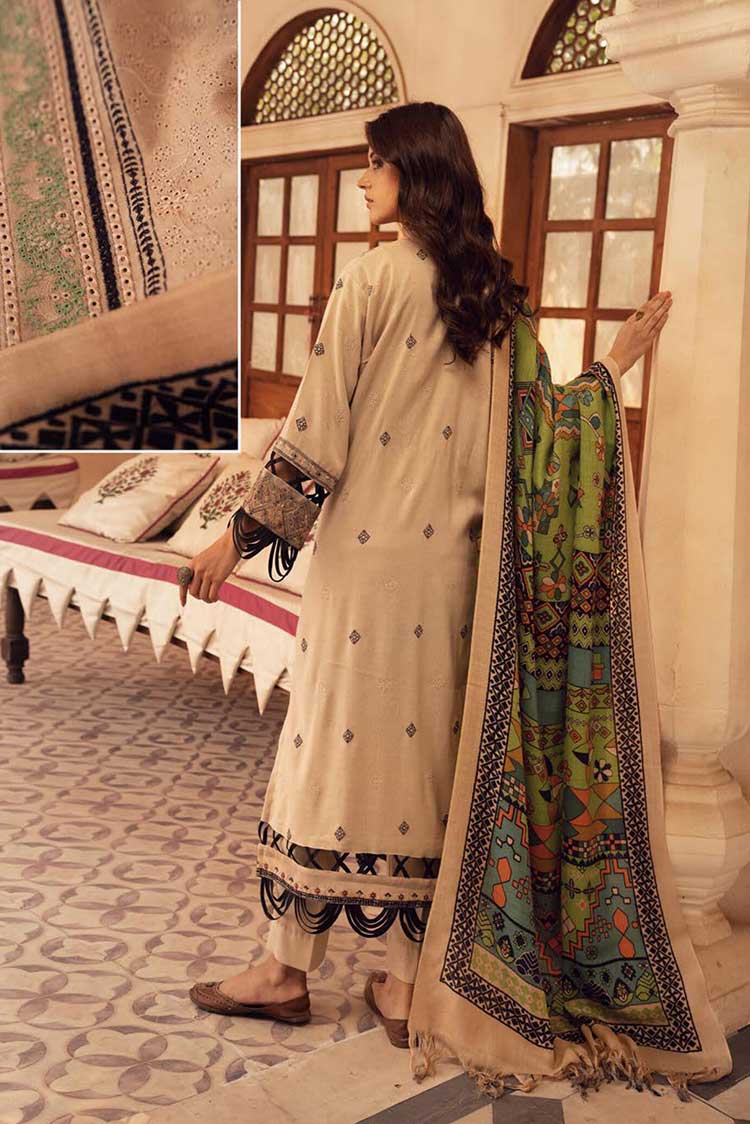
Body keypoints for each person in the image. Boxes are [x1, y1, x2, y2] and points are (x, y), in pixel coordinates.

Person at [182, 102, 671, 1047]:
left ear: (413, 170)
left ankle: (283, 969)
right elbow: (548, 432)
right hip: (455, 580)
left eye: (375, 164)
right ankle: (404, 986)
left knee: (324, 755)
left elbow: (313, 440)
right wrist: (612, 366)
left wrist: (231, 542)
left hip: (365, 573)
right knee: (424, 768)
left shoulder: (367, 280)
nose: (363, 181)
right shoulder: (497, 302)